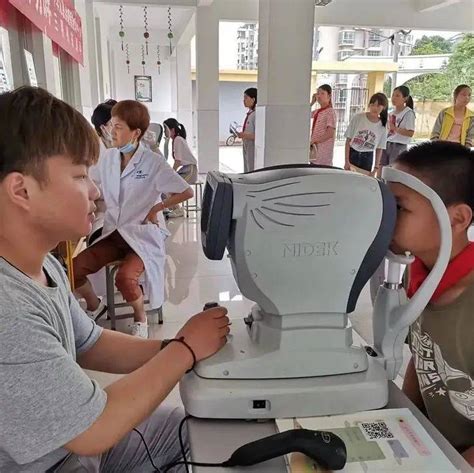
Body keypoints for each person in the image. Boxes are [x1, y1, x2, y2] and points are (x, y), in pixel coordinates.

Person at [0, 86, 230, 472]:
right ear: (21, 190)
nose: (93, 190)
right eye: (78, 176)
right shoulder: (8, 308)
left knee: (206, 433)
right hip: (59, 461)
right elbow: (94, 429)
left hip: (74, 452)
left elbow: (89, 343)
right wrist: (184, 352)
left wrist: (175, 346)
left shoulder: (44, 265)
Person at [73, 100, 194, 339]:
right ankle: (94, 305)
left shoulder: (152, 162)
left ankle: (140, 318)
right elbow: (91, 182)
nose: (111, 132)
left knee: (125, 278)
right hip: (114, 233)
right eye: (110, 126)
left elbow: (186, 191)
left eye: (118, 127)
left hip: (141, 235)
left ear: (135, 133)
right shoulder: (107, 158)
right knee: (74, 269)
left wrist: (157, 207)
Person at [389, 141, 474, 466]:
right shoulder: (422, 275)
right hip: (435, 447)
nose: (386, 217)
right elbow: (423, 355)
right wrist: (403, 422)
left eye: (399, 207)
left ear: (457, 218)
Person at [89, 99, 118, 245]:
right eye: (113, 124)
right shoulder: (93, 151)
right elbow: (95, 187)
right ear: (103, 127)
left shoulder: (113, 148)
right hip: (100, 211)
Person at [344, 92, 388, 176]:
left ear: (384, 107)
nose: (375, 108)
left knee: (362, 182)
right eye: (372, 105)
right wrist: (346, 161)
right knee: (349, 179)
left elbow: (380, 148)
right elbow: (348, 140)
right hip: (353, 153)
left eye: (378, 106)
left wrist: (375, 169)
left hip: (367, 156)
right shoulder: (358, 118)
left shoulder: (383, 125)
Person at [163, 118, 198, 218]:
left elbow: (178, 161)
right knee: (168, 187)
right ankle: (175, 208)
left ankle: (178, 209)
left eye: (166, 129)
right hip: (185, 169)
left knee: (172, 188)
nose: (165, 132)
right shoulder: (176, 140)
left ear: (172, 130)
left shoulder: (178, 140)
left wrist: (171, 173)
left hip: (190, 170)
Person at [380, 85, 416, 168]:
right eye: (393, 95)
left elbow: (410, 133)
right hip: (387, 143)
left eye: (397, 96)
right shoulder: (391, 113)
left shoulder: (408, 113)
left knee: (393, 170)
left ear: (405, 98)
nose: (393, 98)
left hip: (399, 145)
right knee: (382, 167)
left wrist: (395, 128)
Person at [309, 84, 337, 166]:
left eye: (322, 93)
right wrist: (311, 103)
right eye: (318, 93)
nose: (319, 96)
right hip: (315, 153)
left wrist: (314, 141)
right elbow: (304, 116)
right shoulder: (318, 111)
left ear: (329, 96)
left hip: (324, 157)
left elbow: (330, 133)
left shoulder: (330, 112)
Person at [237, 87, 257, 172]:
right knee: (247, 168)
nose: (243, 100)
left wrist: (244, 135)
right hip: (246, 145)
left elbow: (259, 135)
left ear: (253, 99)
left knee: (251, 169)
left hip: (252, 147)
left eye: (246, 98)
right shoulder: (250, 114)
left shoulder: (256, 115)